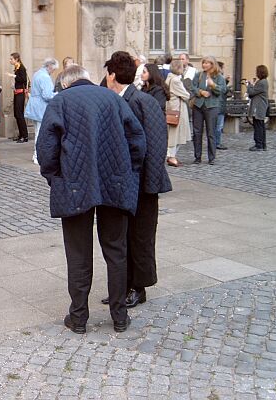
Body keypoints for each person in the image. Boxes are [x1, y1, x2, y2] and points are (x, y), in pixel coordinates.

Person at [36, 65, 146, 334]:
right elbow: (137, 141)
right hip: (115, 183)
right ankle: (119, 316)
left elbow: (46, 148)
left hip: (75, 185)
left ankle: (79, 317)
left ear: (65, 83)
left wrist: (55, 177)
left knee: (78, 253)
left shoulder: (61, 101)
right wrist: (127, 172)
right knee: (116, 251)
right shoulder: (112, 98)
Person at [103, 51, 172, 309]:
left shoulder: (143, 101)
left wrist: (150, 184)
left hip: (142, 183)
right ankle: (121, 286)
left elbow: (156, 144)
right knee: (121, 237)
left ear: (112, 75)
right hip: (122, 183)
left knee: (140, 237)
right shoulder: (115, 100)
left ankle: (138, 287)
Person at [191, 56, 227, 165]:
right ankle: (197, 157)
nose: (204, 65)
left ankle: (212, 157)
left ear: (212, 64)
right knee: (197, 132)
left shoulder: (218, 77)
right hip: (198, 106)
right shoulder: (199, 75)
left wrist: (213, 85)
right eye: (203, 63)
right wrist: (200, 92)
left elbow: (222, 90)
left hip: (212, 107)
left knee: (211, 132)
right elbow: (192, 87)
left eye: (207, 63)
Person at [25, 58, 58, 164]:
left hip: (35, 106)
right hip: (41, 108)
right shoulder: (44, 77)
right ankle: (37, 155)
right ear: (50, 66)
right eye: (53, 69)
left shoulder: (37, 73)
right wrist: (58, 95)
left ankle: (37, 155)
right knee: (40, 133)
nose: (53, 72)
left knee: (38, 131)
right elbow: (47, 95)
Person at [165, 59, 192, 167]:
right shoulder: (175, 80)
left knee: (174, 133)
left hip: (173, 107)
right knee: (176, 134)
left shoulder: (169, 77)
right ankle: (171, 156)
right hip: (178, 109)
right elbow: (186, 95)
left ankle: (172, 156)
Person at [247, 64, 270, 151]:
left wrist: (249, 85)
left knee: (258, 126)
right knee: (260, 126)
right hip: (261, 107)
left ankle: (258, 144)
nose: (256, 73)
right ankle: (263, 145)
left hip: (259, 108)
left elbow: (251, 92)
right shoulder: (264, 82)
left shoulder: (261, 82)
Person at [8, 52, 29, 142]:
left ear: (16, 59)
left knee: (19, 114)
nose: (10, 60)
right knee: (17, 114)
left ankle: (25, 136)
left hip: (20, 93)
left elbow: (23, 79)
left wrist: (14, 76)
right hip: (17, 92)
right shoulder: (17, 67)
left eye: (11, 59)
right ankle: (21, 134)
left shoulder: (21, 67)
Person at [214, 61, 231, 151]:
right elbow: (222, 90)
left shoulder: (216, 77)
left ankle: (215, 142)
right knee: (218, 126)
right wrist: (227, 87)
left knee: (216, 126)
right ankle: (217, 143)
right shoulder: (218, 77)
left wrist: (226, 81)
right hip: (219, 105)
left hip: (218, 105)